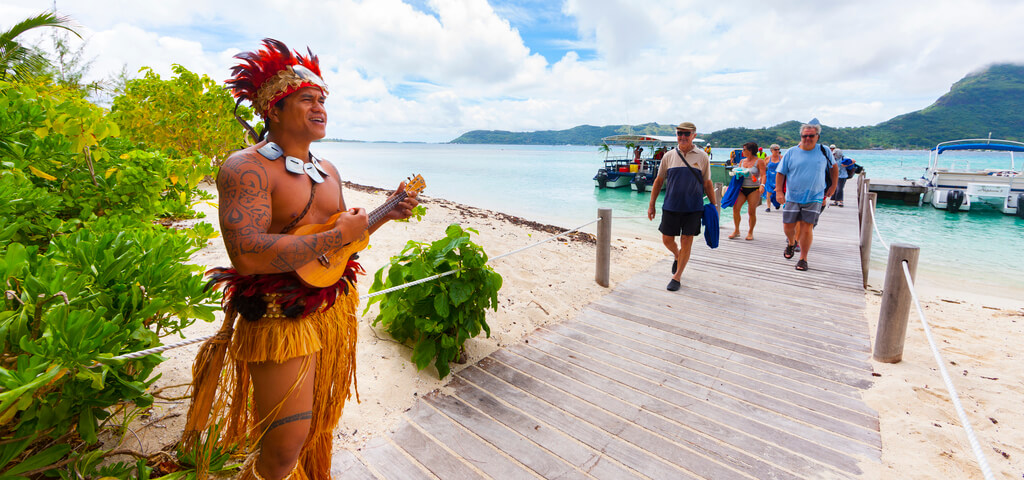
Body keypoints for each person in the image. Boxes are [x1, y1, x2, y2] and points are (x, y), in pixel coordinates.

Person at [182, 39, 419, 480]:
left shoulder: (328, 171)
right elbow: (248, 255)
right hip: (277, 319)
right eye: (307, 99)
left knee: (318, 426)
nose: (320, 107)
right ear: (273, 109)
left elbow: (341, 244)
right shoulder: (245, 168)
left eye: (323, 99)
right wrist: (335, 234)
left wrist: (385, 214)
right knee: (283, 448)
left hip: (331, 309)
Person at [647, 122, 717, 291]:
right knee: (667, 239)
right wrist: (652, 205)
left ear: (693, 135)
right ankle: (677, 256)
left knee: (687, 240)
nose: (683, 137)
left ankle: (677, 277)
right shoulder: (668, 156)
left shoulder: (702, 157)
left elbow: (707, 183)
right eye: (680, 134)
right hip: (671, 205)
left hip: (693, 207)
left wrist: (714, 207)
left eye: (687, 134)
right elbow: (658, 181)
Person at [775, 123, 837, 271]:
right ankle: (791, 243)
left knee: (806, 228)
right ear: (801, 136)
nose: (807, 138)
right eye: (805, 136)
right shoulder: (791, 152)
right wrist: (778, 191)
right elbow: (780, 173)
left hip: (815, 196)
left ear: (818, 137)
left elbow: (833, 167)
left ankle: (803, 259)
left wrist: (833, 186)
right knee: (788, 226)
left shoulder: (824, 151)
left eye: (811, 136)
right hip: (793, 196)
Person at [727, 142, 766, 240]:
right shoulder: (742, 161)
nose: (742, 151)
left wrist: (762, 185)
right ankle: (736, 230)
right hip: (741, 188)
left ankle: (750, 232)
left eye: (744, 149)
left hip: (753, 189)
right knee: (736, 209)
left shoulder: (759, 161)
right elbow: (738, 174)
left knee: (751, 211)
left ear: (751, 150)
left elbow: (763, 175)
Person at [763, 144, 782, 212]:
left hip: (779, 177)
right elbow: (763, 169)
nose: (777, 151)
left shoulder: (781, 158)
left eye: (778, 149)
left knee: (777, 192)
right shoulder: (767, 158)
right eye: (775, 150)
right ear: (771, 150)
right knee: (768, 192)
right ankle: (768, 207)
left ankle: (777, 204)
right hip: (769, 177)